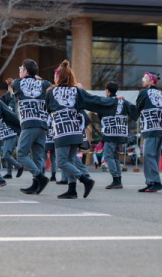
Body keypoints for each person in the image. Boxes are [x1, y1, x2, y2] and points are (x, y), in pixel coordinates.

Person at [40, 61, 117, 199]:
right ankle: (72, 190)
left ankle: (86, 181)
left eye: (55, 76)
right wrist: (113, 101)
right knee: (69, 159)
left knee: (62, 161)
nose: (54, 78)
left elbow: (47, 110)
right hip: (76, 131)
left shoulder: (51, 92)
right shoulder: (77, 91)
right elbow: (94, 100)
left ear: (59, 77)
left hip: (62, 130)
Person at [11, 59, 53, 194]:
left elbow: (15, 89)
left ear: (25, 71)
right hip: (42, 123)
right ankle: (36, 185)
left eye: (20, 69)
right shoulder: (44, 84)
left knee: (22, 154)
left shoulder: (17, 83)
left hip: (29, 123)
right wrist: (38, 79)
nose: (19, 72)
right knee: (38, 156)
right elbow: (51, 87)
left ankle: (40, 177)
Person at [98, 81, 138, 190]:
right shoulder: (123, 101)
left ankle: (115, 179)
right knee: (115, 156)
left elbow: (100, 115)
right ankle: (118, 180)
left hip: (110, 132)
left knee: (108, 156)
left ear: (107, 90)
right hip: (121, 132)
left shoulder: (106, 101)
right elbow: (133, 112)